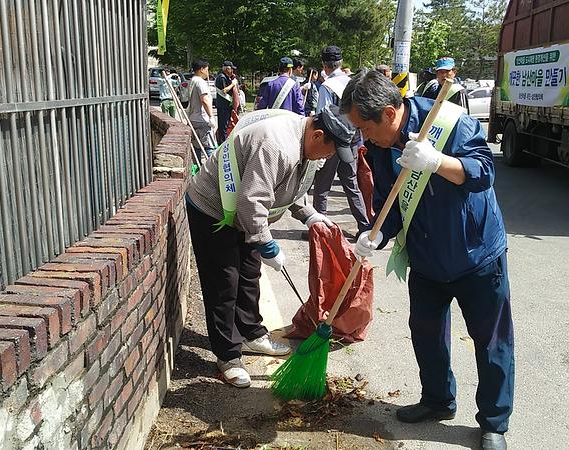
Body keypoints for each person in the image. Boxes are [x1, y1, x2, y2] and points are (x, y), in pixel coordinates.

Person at [340, 70, 514, 450]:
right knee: (427, 334)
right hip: (426, 257)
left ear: (388, 113)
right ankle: (437, 400)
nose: (362, 137)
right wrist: (376, 235)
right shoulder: (383, 148)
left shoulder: (449, 122)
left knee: (491, 340)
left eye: (364, 128)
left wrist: (437, 161)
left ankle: (494, 422)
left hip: (477, 253)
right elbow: (392, 205)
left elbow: (483, 173)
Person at [185, 105, 358, 388]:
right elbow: (252, 202)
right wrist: (267, 244)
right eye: (329, 151)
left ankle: (251, 334)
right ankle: (228, 355)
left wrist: (309, 215)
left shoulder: (305, 145)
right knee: (224, 282)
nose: (329, 158)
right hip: (214, 209)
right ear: (317, 135)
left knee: (249, 274)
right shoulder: (276, 145)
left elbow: (289, 185)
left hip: (243, 213)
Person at [312, 45, 370, 236]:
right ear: (341, 62)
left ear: (324, 64)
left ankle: (319, 229)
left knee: (322, 187)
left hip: (332, 141)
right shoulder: (354, 83)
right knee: (351, 185)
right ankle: (364, 226)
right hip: (352, 139)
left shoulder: (327, 87)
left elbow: (323, 115)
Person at [187, 59, 216, 160]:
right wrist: (211, 117)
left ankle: (198, 170)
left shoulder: (192, 81)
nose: (208, 72)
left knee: (196, 147)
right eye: (207, 69)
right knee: (209, 147)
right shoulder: (200, 82)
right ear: (202, 69)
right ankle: (213, 171)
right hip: (202, 119)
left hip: (192, 119)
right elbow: (204, 100)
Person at [215, 60, 238, 142]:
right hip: (223, 106)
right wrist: (233, 83)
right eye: (231, 69)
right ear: (227, 69)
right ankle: (222, 144)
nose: (233, 71)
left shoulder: (226, 77)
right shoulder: (221, 77)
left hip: (226, 106)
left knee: (226, 126)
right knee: (223, 128)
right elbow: (224, 90)